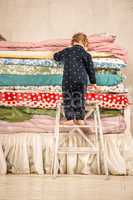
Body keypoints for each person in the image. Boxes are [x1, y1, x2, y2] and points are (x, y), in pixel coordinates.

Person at [54, 33, 97, 125]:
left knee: (68, 97)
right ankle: (80, 118)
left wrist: (56, 55)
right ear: (85, 43)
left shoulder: (67, 51)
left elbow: (56, 57)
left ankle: (69, 119)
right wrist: (93, 82)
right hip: (81, 80)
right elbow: (91, 69)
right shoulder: (86, 54)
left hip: (68, 79)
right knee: (80, 98)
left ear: (73, 42)